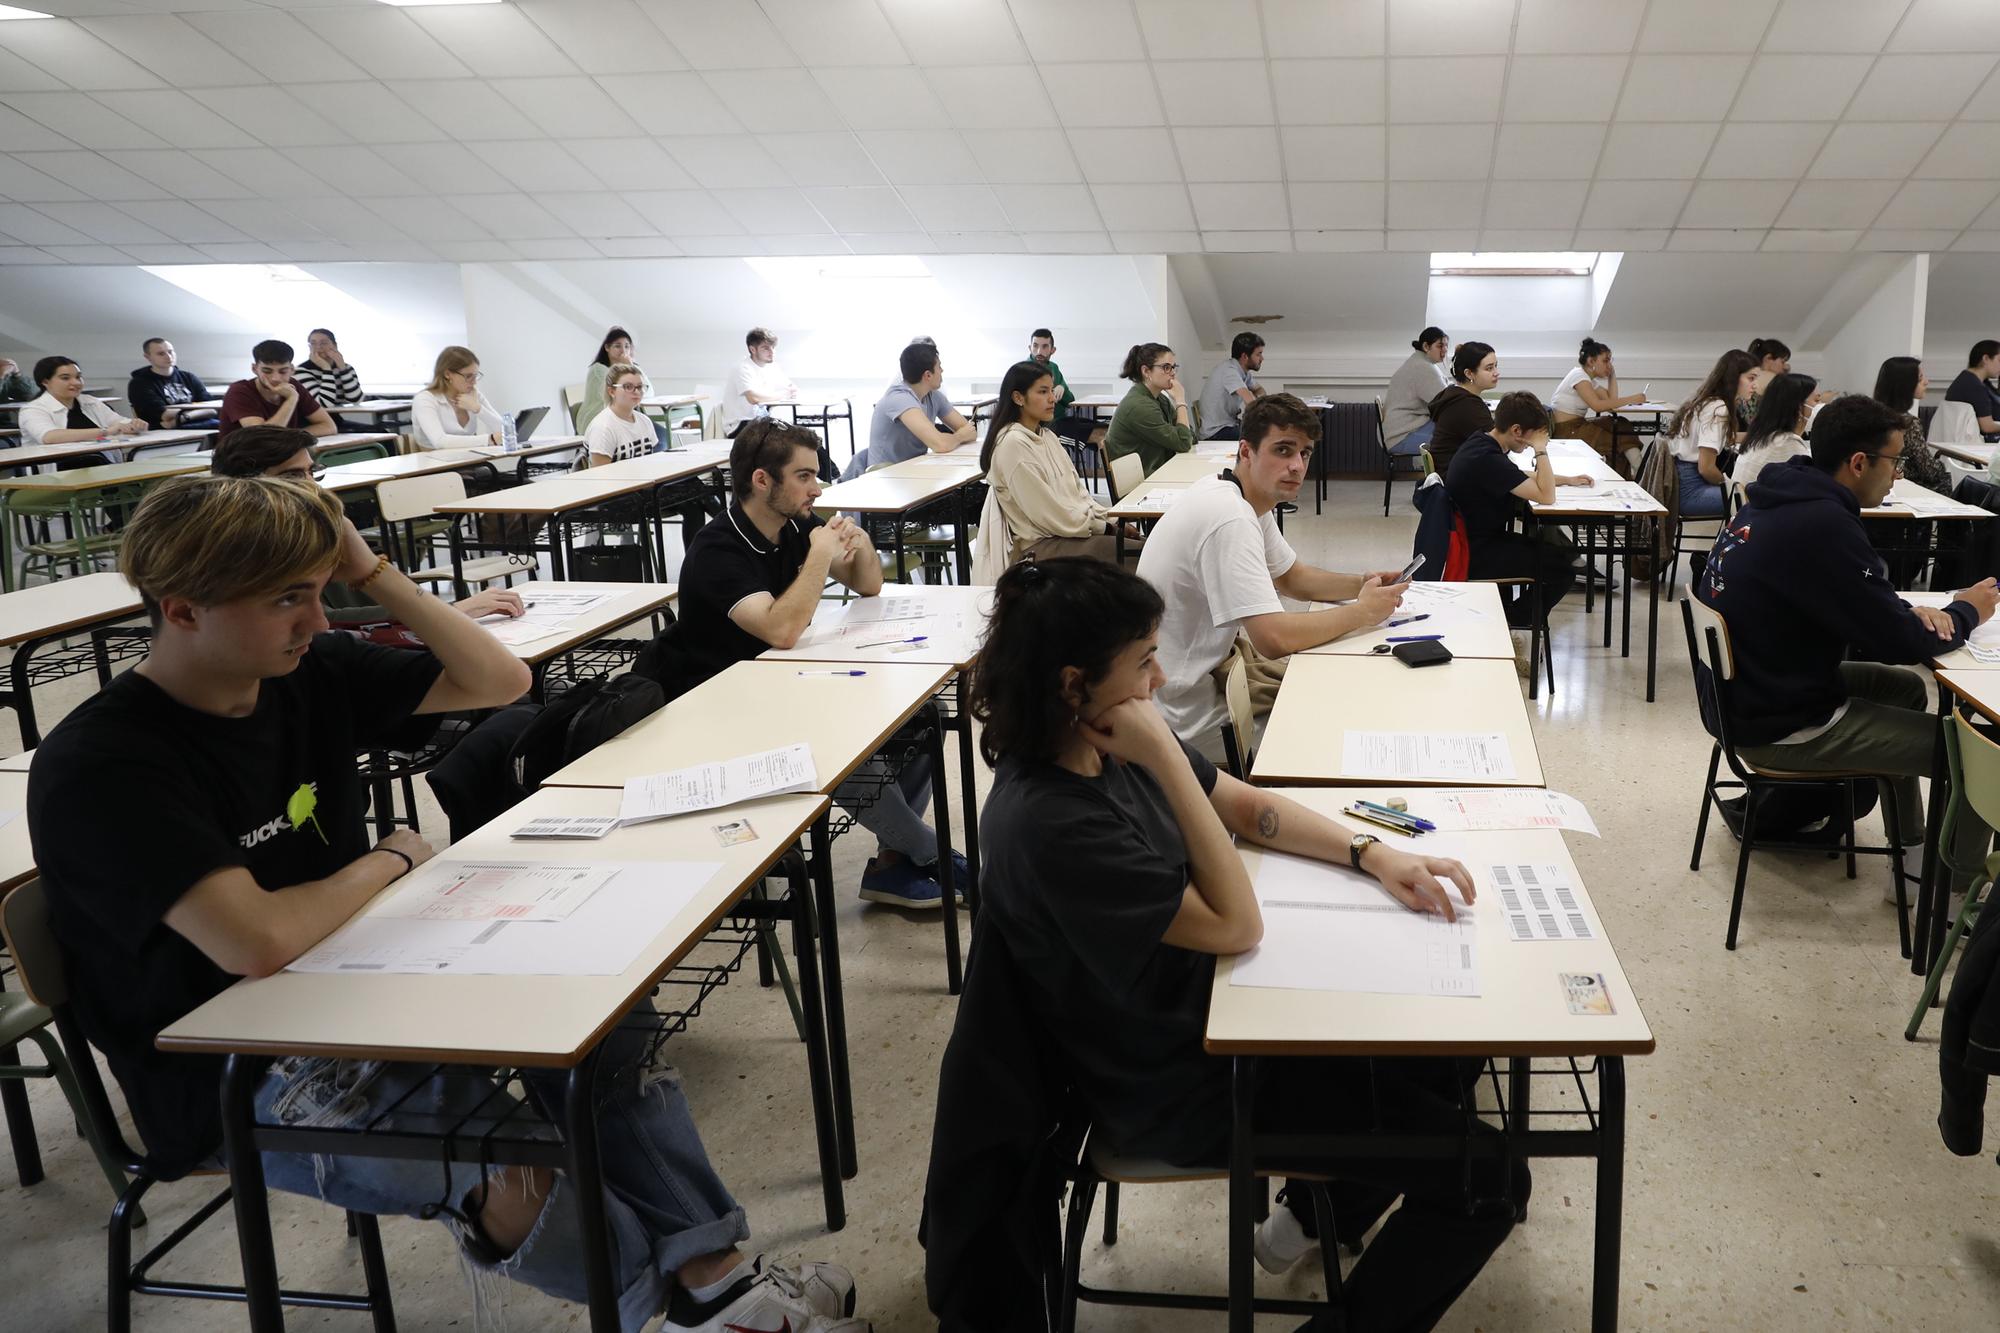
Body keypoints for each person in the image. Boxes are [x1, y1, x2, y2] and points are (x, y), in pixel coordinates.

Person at [27, 474, 869, 1333]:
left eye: (321, 594)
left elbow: (499, 678)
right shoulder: (106, 763)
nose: (318, 621)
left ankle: (721, 1289)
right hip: (237, 1063)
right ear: (182, 610)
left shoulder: (303, 668)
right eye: (288, 599)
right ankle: (697, 1300)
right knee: (503, 1159)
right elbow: (258, 940)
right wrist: (392, 857)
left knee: (605, 1018)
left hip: (367, 973)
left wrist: (375, 571)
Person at [969, 556, 1529, 1331]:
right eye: (1143, 663)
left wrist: (1376, 854)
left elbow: (1242, 803)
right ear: (1072, 685)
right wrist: (1165, 753)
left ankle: (1307, 1215)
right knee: (1493, 1178)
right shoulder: (1052, 820)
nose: (1160, 679)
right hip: (1181, 1080)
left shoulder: (1101, 748)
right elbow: (1238, 923)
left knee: (1453, 1048)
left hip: (1221, 1018)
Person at [1697, 395, 1999, 891]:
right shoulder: (1823, 523)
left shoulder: (1781, 497)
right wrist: (1967, 611)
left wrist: (1901, 610)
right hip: (1780, 724)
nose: (1899, 475)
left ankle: (1914, 848)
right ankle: (1950, 899)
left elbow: (1854, 599)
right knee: (1979, 758)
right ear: (1858, 463)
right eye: (1895, 461)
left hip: (1746, 697)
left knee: (1903, 690)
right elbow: (1899, 642)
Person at [660, 419, 964, 910]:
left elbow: (867, 585)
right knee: (834, 745)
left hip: (774, 683)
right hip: (712, 703)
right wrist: (820, 557)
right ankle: (935, 857)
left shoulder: (793, 524)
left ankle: (894, 862)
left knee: (919, 716)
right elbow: (782, 629)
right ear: (763, 481)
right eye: (803, 476)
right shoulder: (717, 549)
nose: (817, 488)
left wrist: (860, 546)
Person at [1136, 393, 1406, 761]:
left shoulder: (1237, 493)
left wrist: (1363, 584)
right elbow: (1273, 638)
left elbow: (1293, 578)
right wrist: (1362, 612)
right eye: (1283, 450)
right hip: (1184, 720)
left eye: (1305, 453)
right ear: (1246, 452)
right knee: (1344, 726)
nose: (1297, 465)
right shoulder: (1230, 517)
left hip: (1195, 683)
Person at [210, 424, 525, 627]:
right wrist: (452, 612)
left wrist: (446, 612)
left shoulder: (310, 528)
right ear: (245, 485)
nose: (312, 487)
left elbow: (384, 602)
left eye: (311, 473)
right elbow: (326, 625)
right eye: (293, 476)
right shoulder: (245, 550)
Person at [1444, 391, 1593, 631]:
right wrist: (1541, 451)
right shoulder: (1488, 459)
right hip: (1476, 553)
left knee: (1552, 553)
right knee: (1563, 569)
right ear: (1516, 431)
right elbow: (1546, 496)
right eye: (1534, 439)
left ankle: (1513, 617)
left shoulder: (1481, 442)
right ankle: (1514, 621)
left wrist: (1567, 479)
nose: (1534, 445)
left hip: (1472, 541)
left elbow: (1518, 476)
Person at [978, 359, 1118, 567]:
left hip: (1067, 534)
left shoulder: (1047, 437)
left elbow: (1079, 494)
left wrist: (1112, 519)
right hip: (1043, 546)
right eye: (1043, 392)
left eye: (1052, 391)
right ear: (1018, 398)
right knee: (1138, 558)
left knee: (1140, 547)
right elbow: (1050, 514)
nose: (1052, 399)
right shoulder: (1013, 445)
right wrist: (1104, 528)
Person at [1666, 348, 1757, 519]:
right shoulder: (1719, 409)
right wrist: (1732, 487)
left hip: (1682, 483)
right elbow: (1706, 469)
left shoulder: (1707, 402)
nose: (1755, 385)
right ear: (1734, 378)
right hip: (1692, 492)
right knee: (1759, 499)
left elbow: (1723, 439)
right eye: (1751, 378)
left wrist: (1760, 436)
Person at [859, 341, 974, 471]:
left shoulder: (933, 396)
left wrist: (961, 435)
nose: (942, 371)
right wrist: (960, 436)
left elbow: (970, 431)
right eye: (939, 367)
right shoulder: (899, 399)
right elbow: (941, 444)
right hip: (886, 477)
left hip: (913, 472)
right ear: (928, 375)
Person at [1550, 337, 1646, 472]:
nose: (1609, 365)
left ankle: (1637, 471)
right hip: (1568, 431)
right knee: (1617, 440)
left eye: (1610, 361)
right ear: (1591, 361)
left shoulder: (1588, 380)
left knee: (1620, 423)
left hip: (1578, 425)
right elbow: (1598, 406)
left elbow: (1611, 401)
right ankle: (1640, 472)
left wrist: (1612, 374)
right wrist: (1632, 399)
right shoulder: (1579, 376)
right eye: (1605, 361)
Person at [218, 340, 336, 446]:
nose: (276, 378)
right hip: (239, 459)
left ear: (292, 370)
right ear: (254, 369)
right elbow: (263, 438)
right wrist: (291, 399)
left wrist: (291, 436)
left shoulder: (294, 385)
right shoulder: (239, 391)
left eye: (283, 371)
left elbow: (329, 426)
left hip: (277, 454)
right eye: (267, 371)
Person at [1102, 342, 1193, 477]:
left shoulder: (1160, 399)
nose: (1173, 373)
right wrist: (1180, 401)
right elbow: (1184, 442)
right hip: (1140, 485)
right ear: (1146, 371)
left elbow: (1188, 435)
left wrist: (1182, 432)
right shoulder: (1139, 405)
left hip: (1156, 473)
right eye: (1166, 367)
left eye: (1174, 367)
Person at [17, 356, 143, 448]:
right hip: (58, 472)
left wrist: (134, 425)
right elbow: (49, 437)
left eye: (78, 377)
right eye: (65, 378)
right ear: (45, 382)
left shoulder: (90, 401)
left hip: (101, 463)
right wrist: (106, 431)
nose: (76, 383)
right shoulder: (33, 409)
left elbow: (118, 422)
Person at [1731, 372, 1818, 489]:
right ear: (1798, 407)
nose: (1819, 406)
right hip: (1757, 504)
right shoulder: (1787, 442)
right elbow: (1812, 484)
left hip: (1747, 504)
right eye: (1816, 401)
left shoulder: (1762, 435)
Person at [412, 345, 506, 450]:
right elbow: (440, 441)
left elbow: (507, 431)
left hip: (467, 459)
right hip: (433, 462)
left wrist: (478, 409)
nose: (474, 382)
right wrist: (490, 439)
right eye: (468, 376)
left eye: (475, 376)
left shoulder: (473, 395)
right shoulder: (425, 399)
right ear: (447, 374)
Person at [1426, 341, 1498, 475]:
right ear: (1469, 374)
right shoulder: (1467, 405)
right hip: (1458, 480)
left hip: (1452, 472)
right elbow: (1498, 444)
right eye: (1489, 368)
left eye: (1495, 366)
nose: (1496, 373)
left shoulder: (1455, 395)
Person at [1028, 328, 1100, 449]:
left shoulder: (1053, 368)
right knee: (1099, 434)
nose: (1039, 351)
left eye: (1045, 347)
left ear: (1053, 350)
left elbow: (1070, 400)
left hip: (1060, 419)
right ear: (1030, 348)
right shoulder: (1024, 370)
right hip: (1045, 426)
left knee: (1102, 428)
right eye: (1035, 346)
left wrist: (1062, 388)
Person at [1382, 326, 1449, 455]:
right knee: (1452, 440)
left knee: (1452, 431)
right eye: (1440, 346)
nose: (1445, 350)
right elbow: (1445, 402)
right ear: (1426, 346)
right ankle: (1444, 475)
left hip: (1400, 430)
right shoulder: (1423, 367)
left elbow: (1444, 390)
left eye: (1446, 346)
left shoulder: (1422, 361)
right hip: (1400, 436)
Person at [720, 327, 798, 436]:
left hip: (762, 421)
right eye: (765, 348)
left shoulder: (772, 367)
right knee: (793, 438)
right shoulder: (742, 368)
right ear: (753, 349)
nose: (772, 352)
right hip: (740, 425)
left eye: (773, 347)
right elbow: (754, 398)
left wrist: (792, 390)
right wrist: (783, 395)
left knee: (807, 438)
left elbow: (789, 387)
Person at [125, 338, 215, 430]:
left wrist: (184, 417)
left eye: (170, 352)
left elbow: (211, 409)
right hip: (163, 430)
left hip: (190, 423)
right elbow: (165, 416)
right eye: (161, 354)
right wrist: (199, 411)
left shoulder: (189, 377)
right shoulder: (139, 383)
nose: (168, 357)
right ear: (148, 357)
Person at [582, 361, 660, 467]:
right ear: (612, 392)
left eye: (640, 386)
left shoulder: (644, 421)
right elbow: (600, 476)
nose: (637, 392)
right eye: (628, 387)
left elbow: (653, 464)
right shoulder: (603, 428)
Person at [578, 327, 651, 434]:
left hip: (625, 418)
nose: (623, 351)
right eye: (617, 346)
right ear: (607, 347)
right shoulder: (598, 369)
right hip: (599, 421)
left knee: (661, 435)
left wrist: (630, 367)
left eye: (627, 346)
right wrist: (629, 368)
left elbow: (648, 392)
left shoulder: (632, 367)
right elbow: (619, 395)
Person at [1197, 332, 1266, 441]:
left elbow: (1259, 389)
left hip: (1228, 425)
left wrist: (1259, 398)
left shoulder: (1242, 372)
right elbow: (1251, 402)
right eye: (1258, 354)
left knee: (1263, 432)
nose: (1262, 358)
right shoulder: (1229, 371)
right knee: (1261, 436)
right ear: (1245, 356)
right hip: (1216, 432)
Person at [293, 328, 363, 411]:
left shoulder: (346, 368)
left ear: (335, 345)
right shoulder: (301, 370)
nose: (318, 347)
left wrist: (343, 368)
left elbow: (356, 400)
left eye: (323, 343)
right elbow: (324, 404)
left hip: (337, 418)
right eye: (313, 343)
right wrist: (326, 369)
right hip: (313, 421)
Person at [1946, 340, 2000, 440]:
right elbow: (1987, 426)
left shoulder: (1970, 379)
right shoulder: (1973, 386)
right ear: (1986, 359)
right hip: (1984, 444)